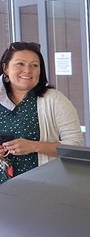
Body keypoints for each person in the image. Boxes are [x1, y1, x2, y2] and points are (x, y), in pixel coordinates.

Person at [0, 41, 84, 183]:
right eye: (20, 64)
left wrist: (34, 146)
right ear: (5, 68)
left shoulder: (54, 100)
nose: (28, 70)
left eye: (34, 65)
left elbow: (76, 146)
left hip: (44, 186)